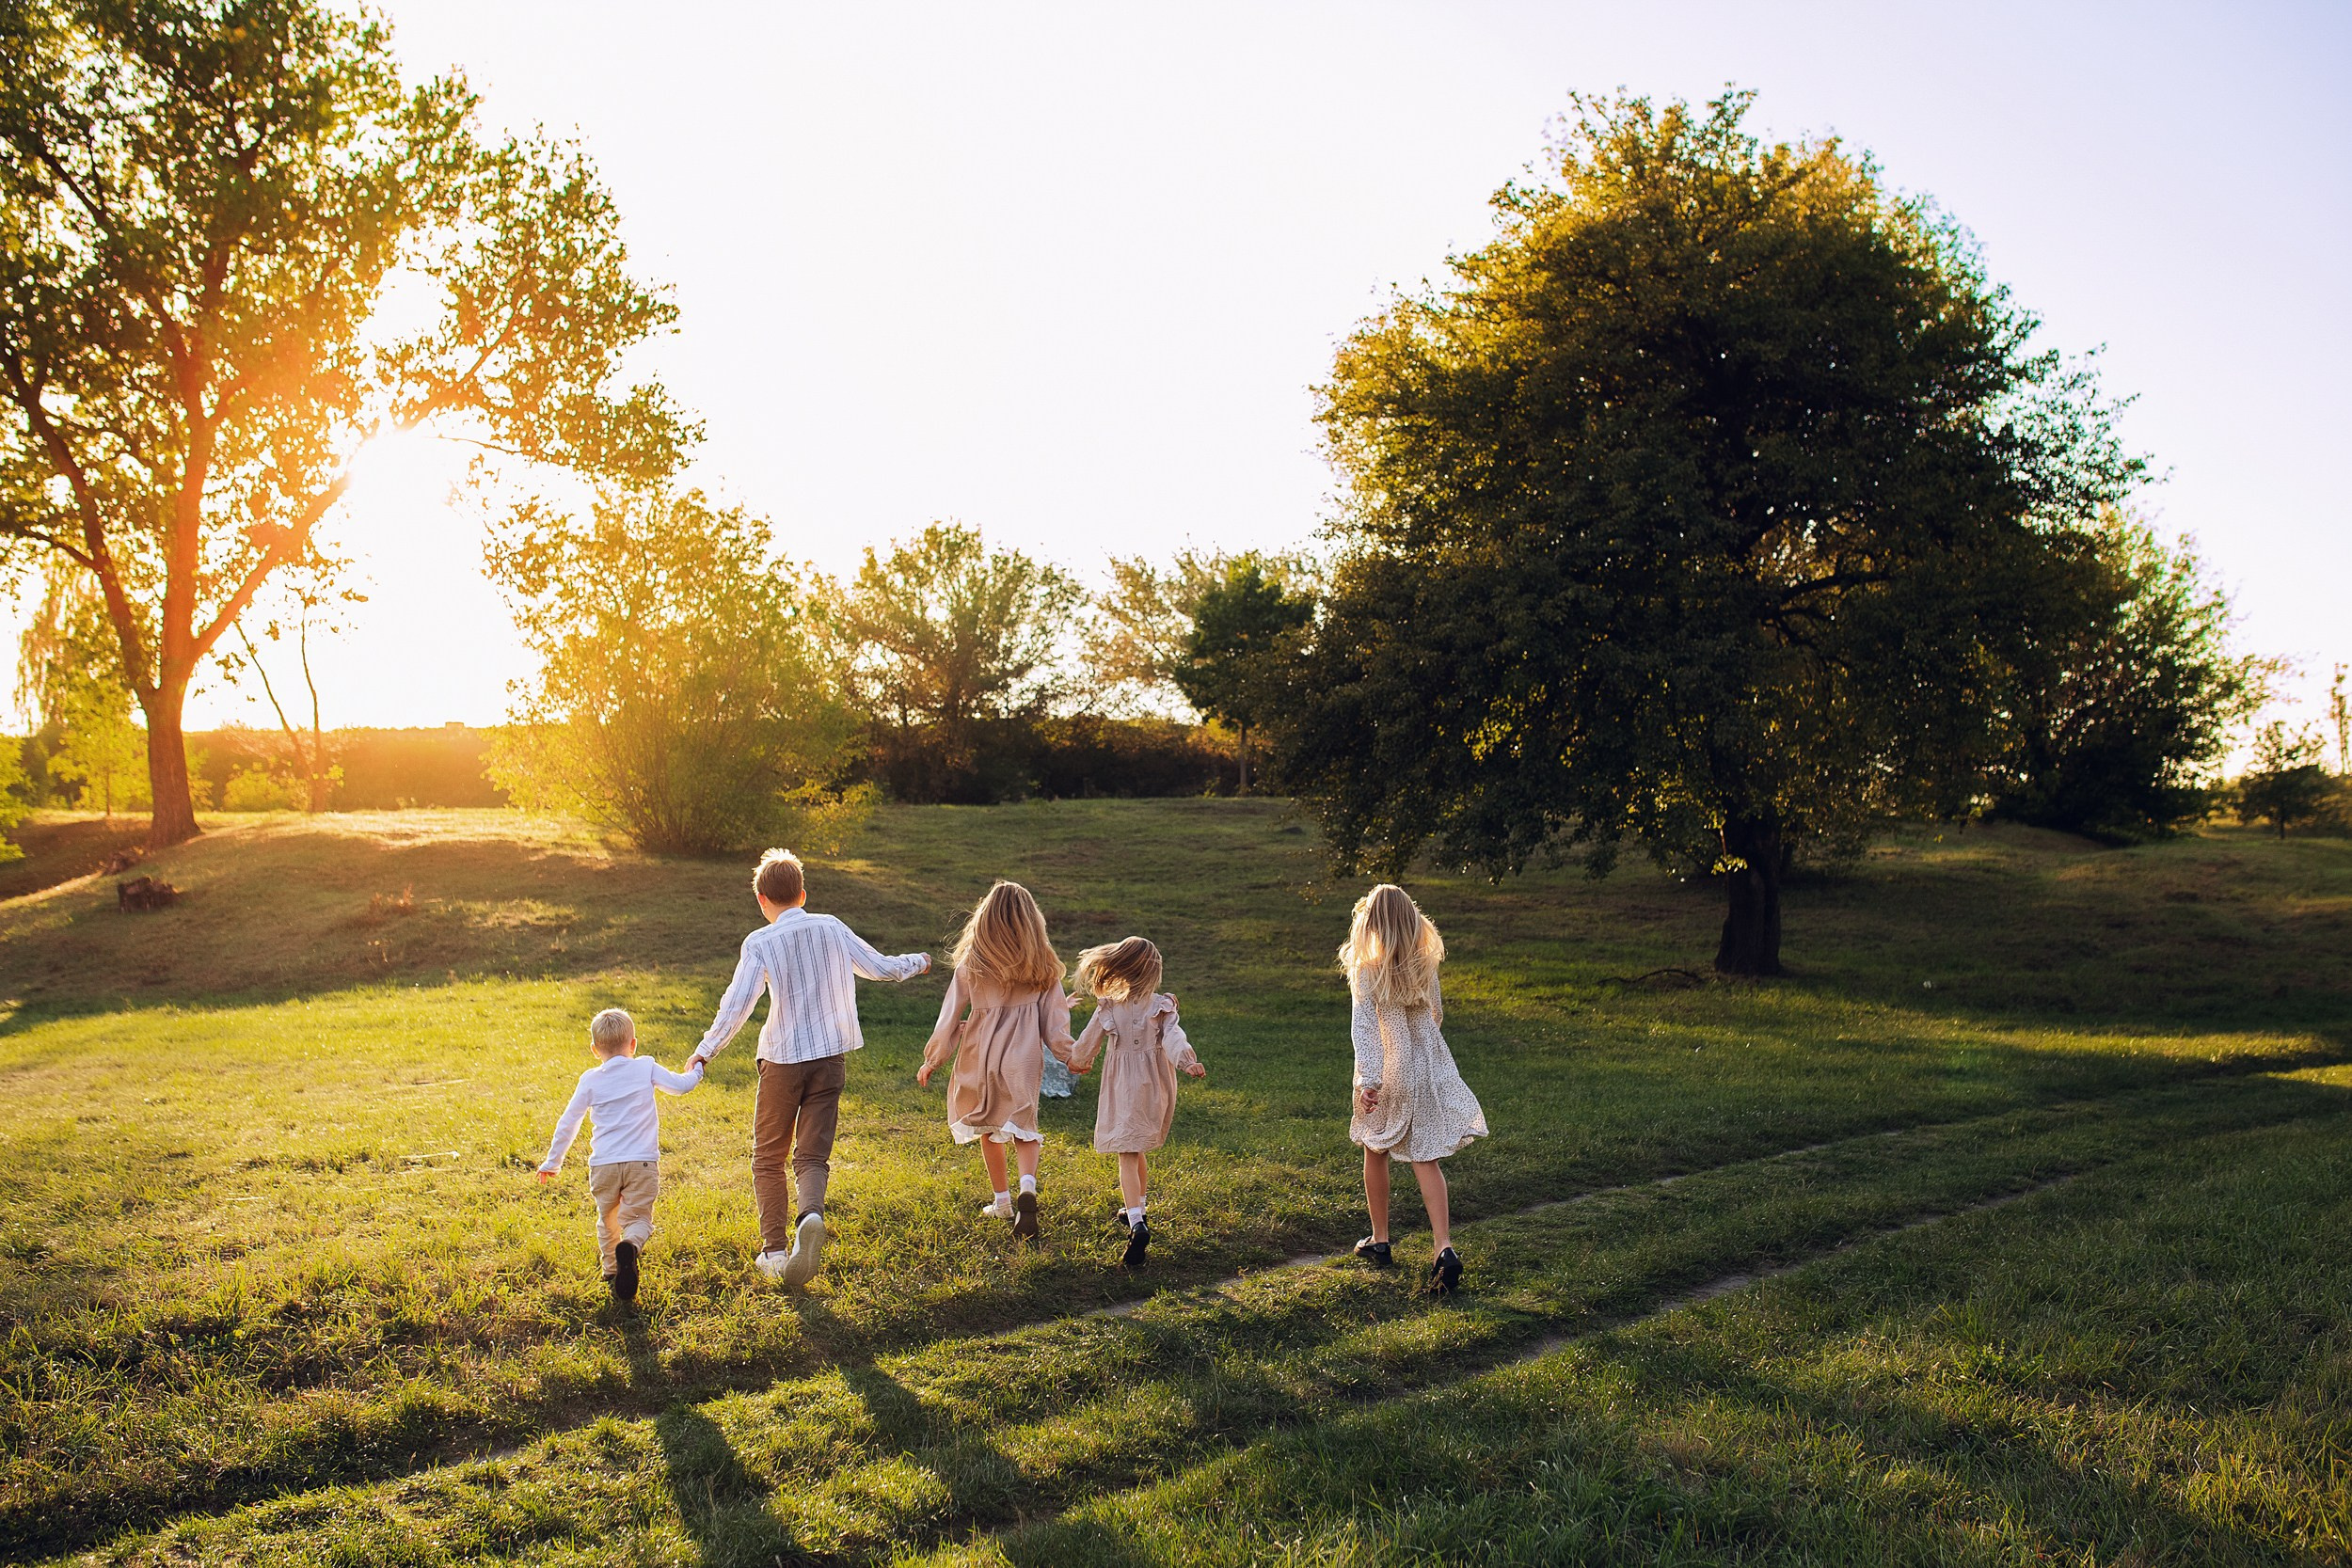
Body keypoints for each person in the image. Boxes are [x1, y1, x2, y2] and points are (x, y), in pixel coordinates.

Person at [689, 848, 931, 1288]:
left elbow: (737, 1006)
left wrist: (706, 1050)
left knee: (768, 1156)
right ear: (802, 894)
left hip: (782, 1061)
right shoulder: (831, 926)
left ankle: (776, 1252)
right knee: (813, 1153)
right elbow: (879, 968)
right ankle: (811, 1215)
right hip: (830, 1058)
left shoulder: (760, 942)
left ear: (762, 900)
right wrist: (918, 961)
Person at [1342, 883, 1486, 1292]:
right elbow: (1435, 1014)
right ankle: (1443, 1247)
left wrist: (1369, 1082)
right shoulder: (1425, 965)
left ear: (1371, 924)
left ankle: (1381, 1240)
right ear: (1411, 921)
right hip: (1430, 1066)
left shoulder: (1367, 972)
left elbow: (1365, 1031)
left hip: (1392, 1070)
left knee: (1375, 1147)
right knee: (1426, 1158)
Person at [917, 879, 1081, 1240]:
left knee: (988, 1124)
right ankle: (1027, 1186)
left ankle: (1003, 1200)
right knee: (1023, 1122)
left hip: (981, 1051)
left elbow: (948, 1017)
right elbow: (1056, 1020)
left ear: (984, 920)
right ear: (1031, 921)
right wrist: (1069, 1056)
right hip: (1023, 1054)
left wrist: (934, 1059)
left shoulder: (971, 964)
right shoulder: (1043, 965)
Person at [536, 1006, 704, 1306]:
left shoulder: (589, 1079)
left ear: (594, 1050)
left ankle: (612, 1272)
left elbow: (569, 1121)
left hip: (603, 1166)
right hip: (641, 1163)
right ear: (633, 1044)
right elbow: (682, 1086)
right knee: (638, 1218)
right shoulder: (645, 1066)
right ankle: (631, 1245)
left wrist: (553, 1161)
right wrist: (697, 1067)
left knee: (607, 1219)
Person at [1070, 936, 1204, 1267]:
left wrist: (1078, 1060)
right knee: (1137, 1145)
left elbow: (1089, 1040)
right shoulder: (1161, 1005)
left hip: (1122, 1084)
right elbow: (1174, 1038)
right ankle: (1137, 1208)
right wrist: (1187, 1062)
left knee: (1126, 1153)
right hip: (1153, 1083)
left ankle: (1136, 1222)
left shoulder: (1109, 1006)